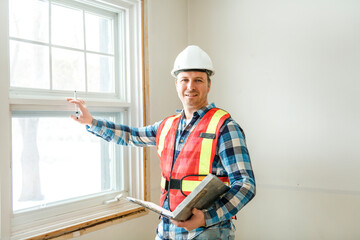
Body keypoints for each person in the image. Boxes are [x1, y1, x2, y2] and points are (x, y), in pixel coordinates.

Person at [67, 45, 256, 240]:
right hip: (168, 229)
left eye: (198, 80)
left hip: (208, 231)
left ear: (209, 85)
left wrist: (207, 217)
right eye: (185, 80)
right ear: (176, 84)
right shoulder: (167, 126)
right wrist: (91, 122)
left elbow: (245, 184)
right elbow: (132, 135)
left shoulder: (224, 127)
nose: (190, 86)